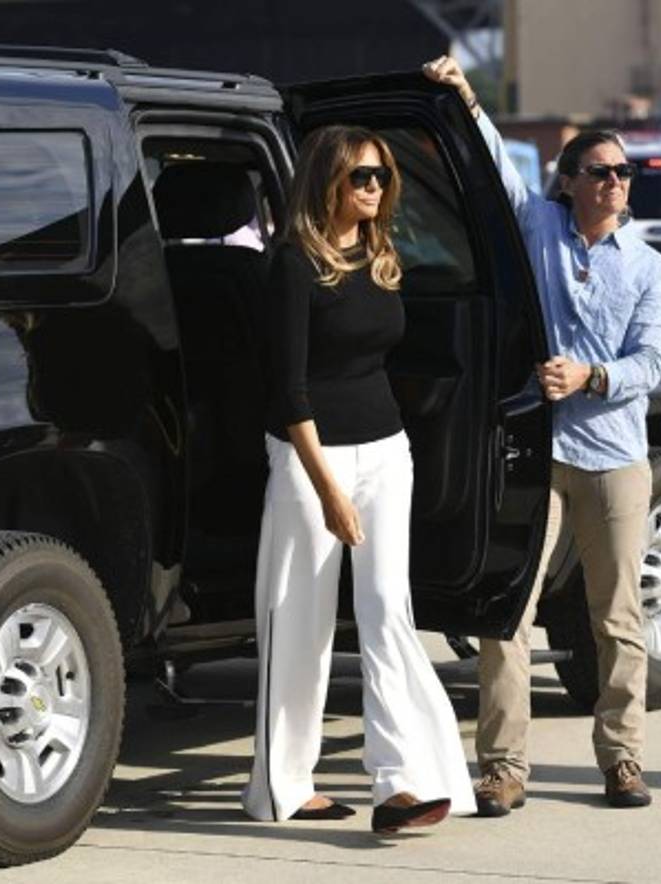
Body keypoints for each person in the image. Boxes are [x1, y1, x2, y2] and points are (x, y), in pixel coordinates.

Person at [423, 55, 661, 814]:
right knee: (506, 614)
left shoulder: (650, 267)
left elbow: (649, 363)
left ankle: (623, 759)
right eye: (599, 172)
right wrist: (464, 94)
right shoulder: (538, 225)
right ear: (568, 181)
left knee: (619, 620)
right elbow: (494, 163)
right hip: (535, 452)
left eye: (624, 174)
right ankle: (503, 769)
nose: (615, 184)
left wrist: (589, 378)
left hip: (614, 457)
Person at [241, 124, 477, 834]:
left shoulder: (379, 253)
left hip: (386, 453)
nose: (375, 188)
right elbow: (289, 392)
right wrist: (330, 493)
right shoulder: (291, 265)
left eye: (380, 177)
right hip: (311, 458)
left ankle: (400, 784)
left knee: (387, 615)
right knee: (299, 625)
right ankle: (282, 787)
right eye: (361, 178)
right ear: (328, 182)